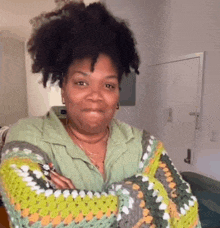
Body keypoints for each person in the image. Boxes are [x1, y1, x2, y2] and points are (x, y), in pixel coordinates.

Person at [0, 2, 201, 227]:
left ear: (117, 96)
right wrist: (147, 197)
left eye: (108, 86)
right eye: (81, 82)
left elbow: (187, 216)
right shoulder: (28, 135)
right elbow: (33, 214)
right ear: (63, 88)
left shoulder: (145, 146)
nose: (95, 96)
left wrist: (76, 206)